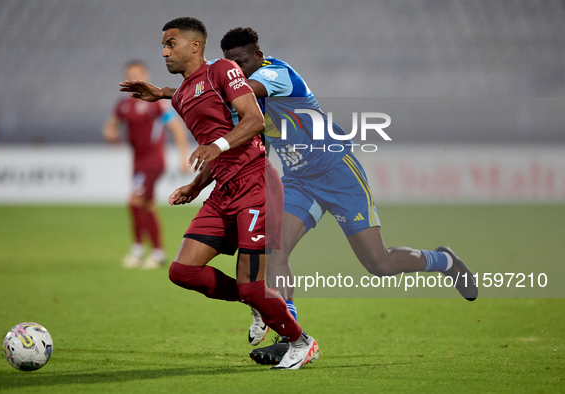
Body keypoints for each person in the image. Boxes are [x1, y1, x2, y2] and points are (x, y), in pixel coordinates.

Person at [122, 26, 478, 364]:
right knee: (275, 251)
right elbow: (216, 88)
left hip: (338, 172)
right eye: (231, 61)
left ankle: (444, 261)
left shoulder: (276, 73)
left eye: (243, 61)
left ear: (258, 55)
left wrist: (185, 89)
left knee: (378, 264)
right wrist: (168, 92)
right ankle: (286, 334)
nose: (236, 67)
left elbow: (234, 87)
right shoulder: (233, 80)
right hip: (298, 180)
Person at [121, 17, 318, 370]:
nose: (164, 52)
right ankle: (257, 305)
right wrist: (195, 186)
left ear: (195, 46)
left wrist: (219, 145)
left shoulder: (224, 69)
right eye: (163, 45)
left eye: (171, 44)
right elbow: (200, 112)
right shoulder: (181, 95)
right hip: (223, 190)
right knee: (183, 271)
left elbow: (253, 120)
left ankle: (301, 341)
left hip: (255, 182)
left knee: (253, 285)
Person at [104, 60, 190, 269]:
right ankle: (148, 252)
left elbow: (177, 128)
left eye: (138, 75)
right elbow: (111, 127)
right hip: (137, 162)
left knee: (136, 200)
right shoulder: (123, 105)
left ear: (146, 76)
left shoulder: (157, 103)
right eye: (130, 76)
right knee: (142, 203)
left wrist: (183, 158)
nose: (135, 79)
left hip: (153, 161)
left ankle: (148, 251)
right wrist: (111, 133)